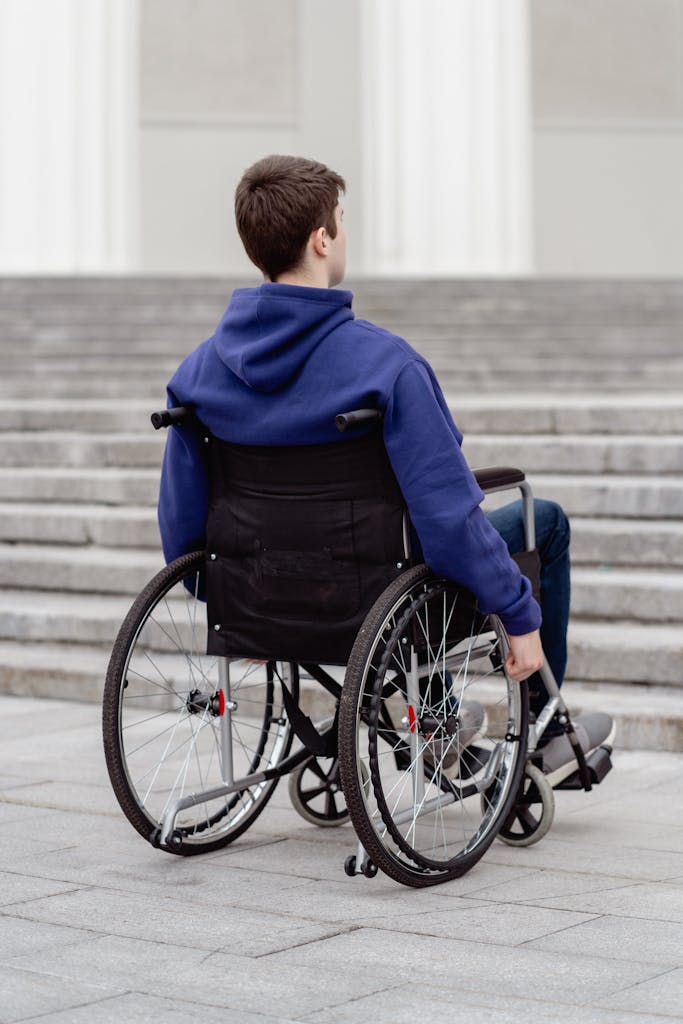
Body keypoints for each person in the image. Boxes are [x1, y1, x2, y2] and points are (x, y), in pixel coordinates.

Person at [158, 154, 614, 778]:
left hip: (263, 600)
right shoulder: (386, 367)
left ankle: (432, 711)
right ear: (323, 238)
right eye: (340, 220)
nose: (342, 231)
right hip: (381, 597)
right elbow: (449, 518)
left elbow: (181, 524)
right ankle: (537, 723)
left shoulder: (196, 375)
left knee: (386, 546)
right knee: (546, 521)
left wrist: (232, 602)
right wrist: (518, 614)